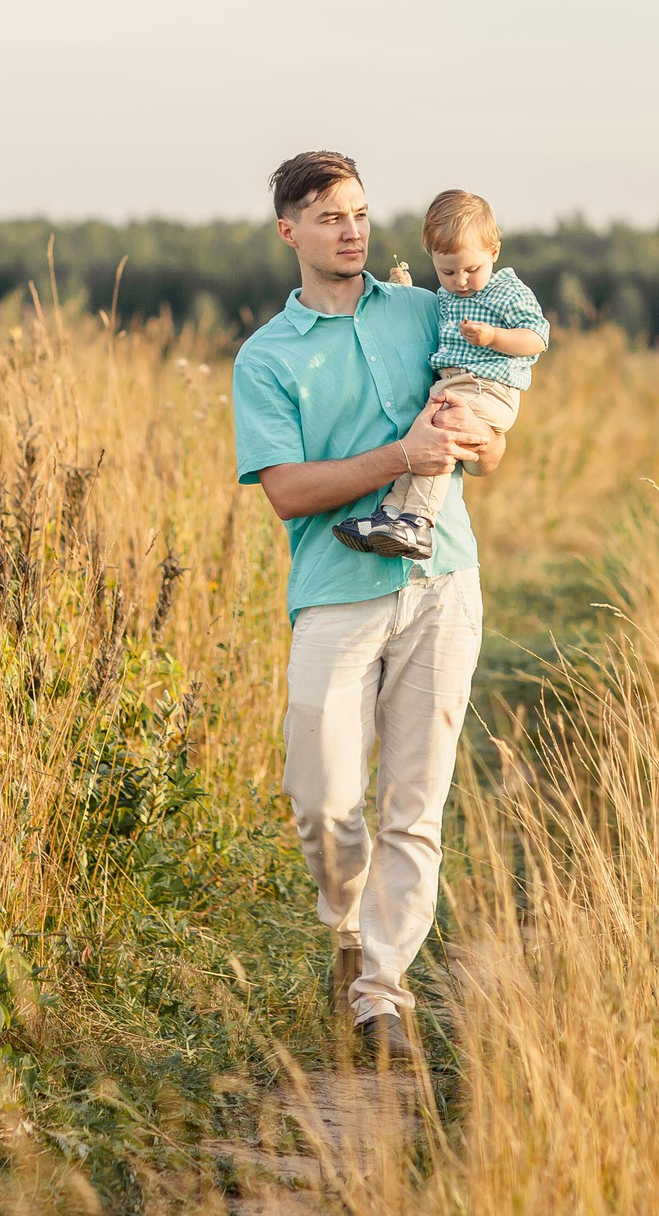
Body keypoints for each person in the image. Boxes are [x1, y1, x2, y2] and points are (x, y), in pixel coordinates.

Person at [231, 151, 505, 1063]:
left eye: (357, 212)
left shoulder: (428, 310)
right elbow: (286, 490)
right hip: (336, 594)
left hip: (442, 582)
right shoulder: (266, 356)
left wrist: (475, 440)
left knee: (415, 803)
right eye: (328, 216)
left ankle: (382, 993)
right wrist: (401, 456)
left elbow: (489, 444)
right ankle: (345, 921)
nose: (351, 229)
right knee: (324, 796)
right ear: (290, 233)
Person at [334, 189, 548, 560]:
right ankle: (390, 515)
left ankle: (418, 521)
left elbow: (538, 338)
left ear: (493, 252)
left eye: (471, 269)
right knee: (418, 437)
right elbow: (430, 313)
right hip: (453, 385)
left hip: (489, 388)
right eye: (446, 271)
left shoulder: (508, 292)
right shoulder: (448, 296)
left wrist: (494, 336)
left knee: (439, 438)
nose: (460, 280)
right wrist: (403, 288)